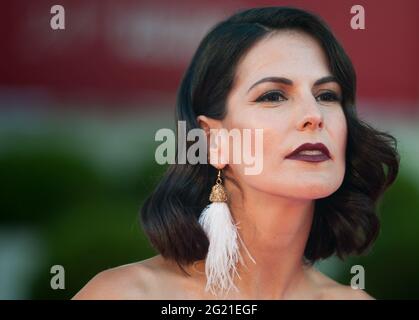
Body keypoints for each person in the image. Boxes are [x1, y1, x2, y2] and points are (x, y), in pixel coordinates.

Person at [73, 6, 399, 300]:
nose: (314, 115)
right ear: (214, 139)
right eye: (273, 95)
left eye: (327, 95)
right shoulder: (126, 294)